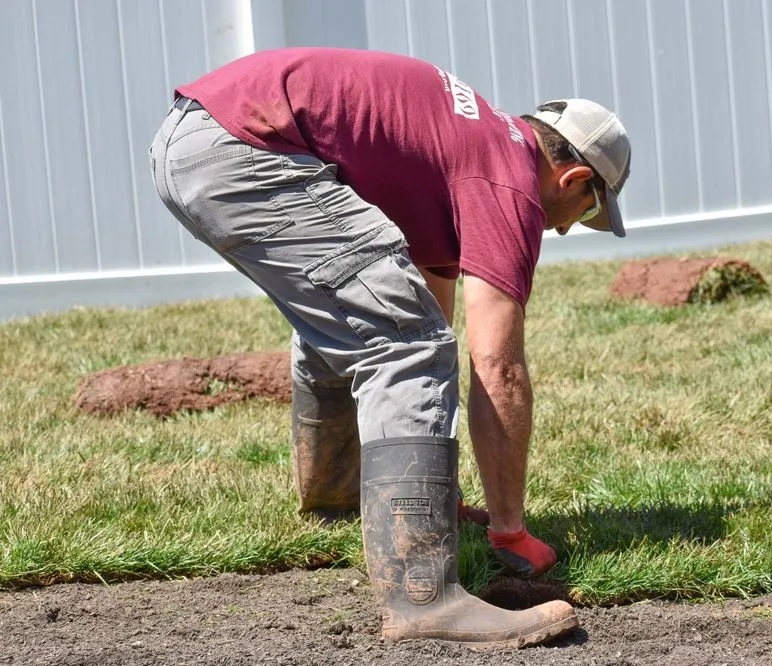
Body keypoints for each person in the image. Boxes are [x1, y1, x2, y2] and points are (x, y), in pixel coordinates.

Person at [149, 47, 631, 648]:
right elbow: (497, 367)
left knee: (374, 324)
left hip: (199, 136)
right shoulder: (506, 180)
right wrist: (509, 531)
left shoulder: (468, 143)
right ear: (575, 178)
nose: (562, 228)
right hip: (244, 148)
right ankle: (422, 597)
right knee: (407, 346)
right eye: (584, 213)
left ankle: (337, 502)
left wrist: (439, 490)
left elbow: (426, 300)